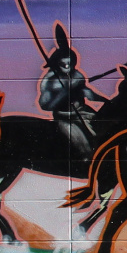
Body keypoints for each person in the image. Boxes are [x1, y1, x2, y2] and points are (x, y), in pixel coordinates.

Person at [38, 24, 107, 160]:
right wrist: (64, 93)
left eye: (69, 64)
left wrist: (105, 100)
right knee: (85, 149)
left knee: (104, 137)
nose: (67, 67)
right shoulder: (50, 81)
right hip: (65, 119)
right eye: (63, 65)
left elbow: (87, 93)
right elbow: (45, 105)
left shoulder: (77, 76)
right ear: (57, 63)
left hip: (84, 113)